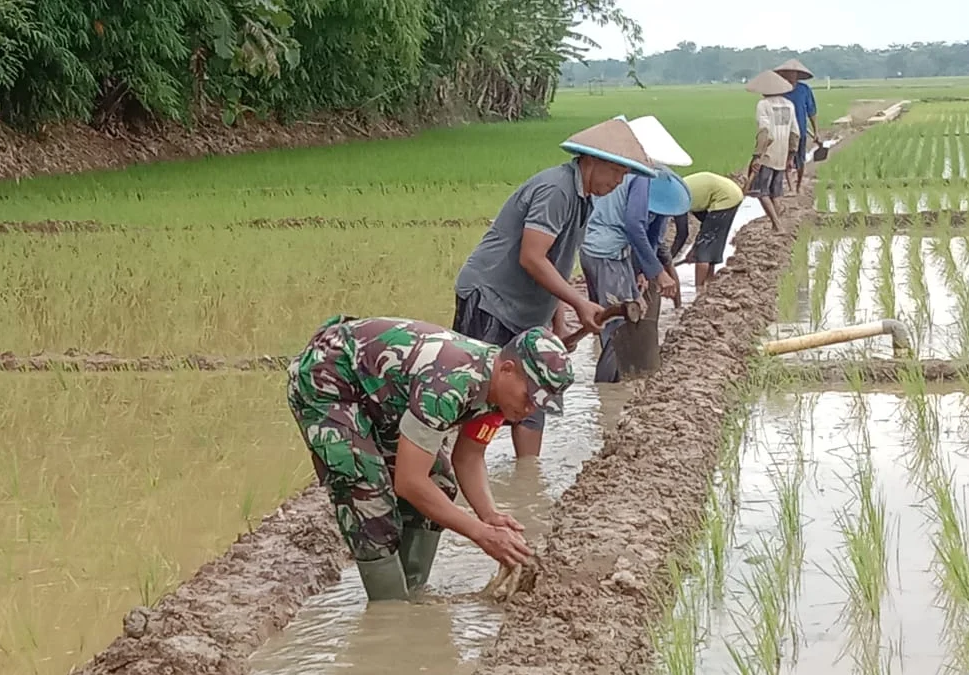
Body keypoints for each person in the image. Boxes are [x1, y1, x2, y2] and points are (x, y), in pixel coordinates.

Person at [286, 315, 575, 602]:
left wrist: (490, 515)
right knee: (368, 495)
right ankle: (390, 611)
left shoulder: (500, 396)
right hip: (328, 379)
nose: (529, 410)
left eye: (538, 404)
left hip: (381, 394)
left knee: (440, 481)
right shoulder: (451, 385)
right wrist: (481, 534)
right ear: (508, 369)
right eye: (529, 397)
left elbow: (469, 457)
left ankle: (412, 593)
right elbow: (409, 483)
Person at [453, 117, 656, 457]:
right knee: (479, 391)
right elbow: (531, 257)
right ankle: (454, 471)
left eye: (624, 176)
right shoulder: (557, 190)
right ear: (590, 161)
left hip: (529, 305)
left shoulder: (584, 199)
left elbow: (556, 262)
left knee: (535, 390)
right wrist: (579, 302)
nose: (618, 183)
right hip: (492, 298)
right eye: (616, 173)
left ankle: (528, 475)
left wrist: (557, 321)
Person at [579, 166, 691, 383]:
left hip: (597, 251)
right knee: (618, 329)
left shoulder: (628, 175)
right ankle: (608, 394)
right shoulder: (642, 178)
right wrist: (659, 273)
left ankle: (616, 385)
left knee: (617, 317)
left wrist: (638, 271)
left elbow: (647, 234)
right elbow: (633, 226)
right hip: (607, 254)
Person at [744, 70, 800, 231]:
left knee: (761, 192)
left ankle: (777, 225)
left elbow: (765, 132)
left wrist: (757, 156)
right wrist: (791, 155)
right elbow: (795, 132)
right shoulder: (789, 105)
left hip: (768, 153)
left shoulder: (764, 105)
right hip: (782, 154)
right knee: (775, 193)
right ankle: (778, 223)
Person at [674, 172, 745, 291]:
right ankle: (709, 287)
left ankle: (699, 291)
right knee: (709, 244)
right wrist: (694, 248)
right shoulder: (686, 194)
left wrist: (668, 261)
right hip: (732, 193)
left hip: (725, 197)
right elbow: (705, 224)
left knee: (703, 254)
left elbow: (682, 234)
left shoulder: (677, 199)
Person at [774, 59, 821, 193]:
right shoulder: (779, 90)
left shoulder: (804, 90)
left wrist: (816, 131)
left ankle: (799, 186)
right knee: (786, 160)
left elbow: (811, 111)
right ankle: (791, 188)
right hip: (783, 131)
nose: (791, 76)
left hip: (800, 130)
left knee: (800, 161)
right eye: (788, 73)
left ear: (798, 74)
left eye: (794, 73)